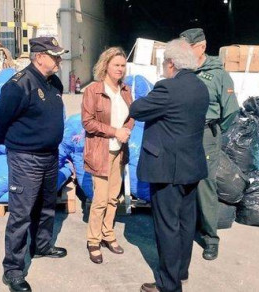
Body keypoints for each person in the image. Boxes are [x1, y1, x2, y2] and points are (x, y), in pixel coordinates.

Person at [0, 36, 69, 292]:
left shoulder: (53, 81)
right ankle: (12, 269)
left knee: (46, 206)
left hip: (50, 155)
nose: (58, 60)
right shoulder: (18, 85)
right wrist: (18, 146)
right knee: (21, 215)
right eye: (54, 56)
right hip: (26, 159)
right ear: (39, 57)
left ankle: (42, 245)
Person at [131, 39, 209, 292]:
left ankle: (169, 284)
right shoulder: (200, 87)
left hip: (167, 169)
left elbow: (137, 109)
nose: (164, 67)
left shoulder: (167, 89)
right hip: (191, 166)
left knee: (167, 226)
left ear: (172, 64)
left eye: (164, 63)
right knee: (186, 223)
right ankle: (181, 272)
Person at [179, 28, 239, 261]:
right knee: (183, 182)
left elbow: (231, 110)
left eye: (188, 48)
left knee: (205, 185)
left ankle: (210, 238)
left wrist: (213, 131)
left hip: (206, 135)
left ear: (201, 47)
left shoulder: (218, 75)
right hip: (183, 134)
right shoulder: (182, 71)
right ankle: (186, 227)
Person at [81, 47, 134, 264]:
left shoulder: (126, 90)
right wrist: (115, 132)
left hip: (119, 152)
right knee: (101, 199)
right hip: (100, 151)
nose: (120, 69)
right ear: (106, 66)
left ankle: (108, 234)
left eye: (122, 65)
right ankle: (93, 240)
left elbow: (132, 115)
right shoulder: (93, 91)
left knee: (113, 198)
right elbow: (87, 122)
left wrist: (127, 129)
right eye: (116, 65)